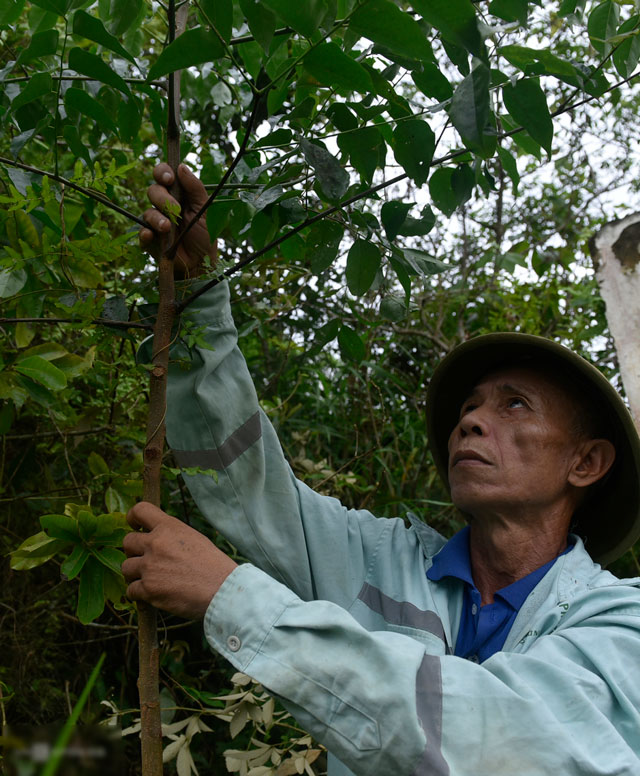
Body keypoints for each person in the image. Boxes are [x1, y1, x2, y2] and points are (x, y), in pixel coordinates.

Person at [122, 164, 640, 776]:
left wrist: (232, 599)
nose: (471, 422)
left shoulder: (620, 621)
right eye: (469, 407)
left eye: (514, 405)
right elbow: (252, 487)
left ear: (586, 462)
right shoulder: (381, 560)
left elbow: (508, 738)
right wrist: (200, 295)